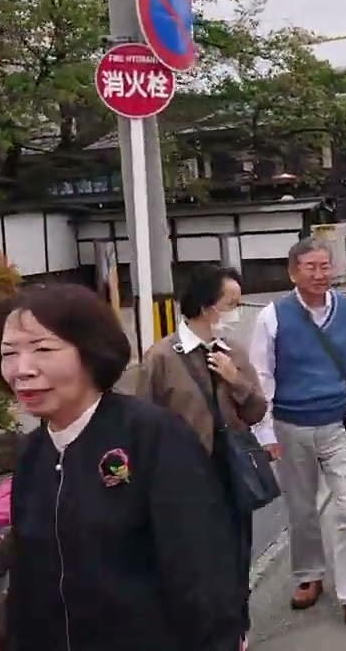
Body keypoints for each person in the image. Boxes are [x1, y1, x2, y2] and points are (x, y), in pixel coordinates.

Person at [0, 283, 244, 651]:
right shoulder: (33, 453)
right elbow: (26, 581)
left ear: (91, 353)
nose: (22, 370)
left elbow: (202, 574)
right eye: (9, 353)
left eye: (43, 349)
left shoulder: (153, 436)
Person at [248, 239, 346, 633]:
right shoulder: (273, 316)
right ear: (293, 272)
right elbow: (263, 375)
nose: (320, 274)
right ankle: (309, 573)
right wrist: (266, 431)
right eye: (311, 267)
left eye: (325, 266)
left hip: (341, 422)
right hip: (292, 424)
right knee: (302, 506)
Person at [138, 264, 267, 641]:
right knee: (193, 557)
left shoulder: (234, 351)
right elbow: (139, 415)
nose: (235, 312)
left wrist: (235, 379)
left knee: (237, 551)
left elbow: (257, 410)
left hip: (232, 468)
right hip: (183, 476)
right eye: (231, 303)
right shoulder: (162, 357)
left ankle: (236, 627)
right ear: (207, 306)